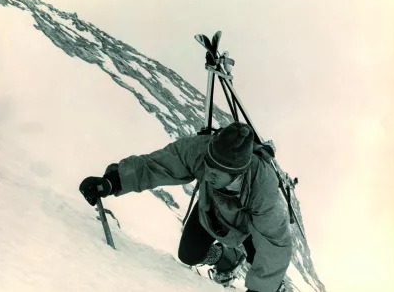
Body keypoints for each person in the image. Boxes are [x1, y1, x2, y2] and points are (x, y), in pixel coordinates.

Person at [79, 121, 292, 292]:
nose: (208, 174)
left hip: (251, 228)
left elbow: (274, 244)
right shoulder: (200, 151)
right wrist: (112, 181)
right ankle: (226, 259)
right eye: (207, 167)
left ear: (238, 174)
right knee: (189, 255)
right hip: (213, 208)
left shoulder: (264, 190)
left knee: (265, 271)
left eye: (217, 174)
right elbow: (156, 165)